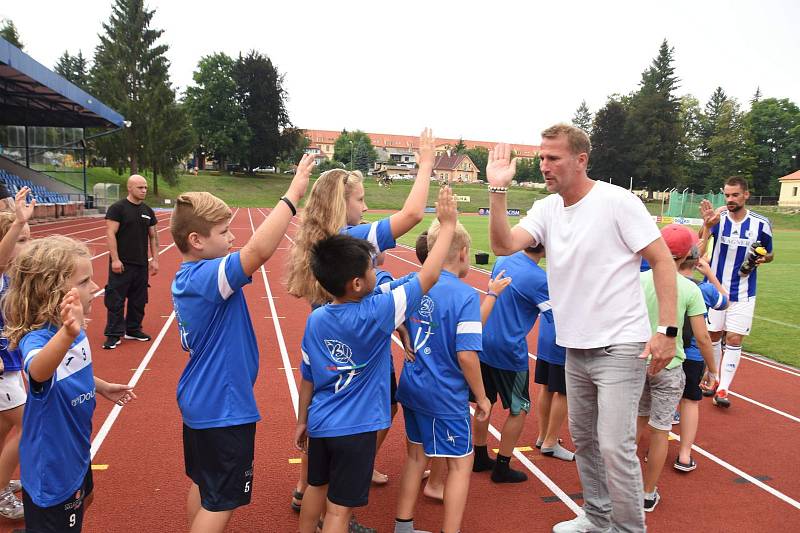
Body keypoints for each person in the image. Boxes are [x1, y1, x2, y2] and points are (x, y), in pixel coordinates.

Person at [487, 124, 677, 533]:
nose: (544, 166)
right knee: (585, 440)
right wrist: (497, 190)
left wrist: (667, 329)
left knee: (614, 444)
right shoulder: (547, 209)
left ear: (581, 160)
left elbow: (662, 260)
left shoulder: (616, 202)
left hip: (621, 344)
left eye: (553, 158)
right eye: (541, 158)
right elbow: (504, 244)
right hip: (575, 346)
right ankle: (596, 516)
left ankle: (629, 528)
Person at [287, 129, 435, 527]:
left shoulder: (319, 245)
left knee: (325, 417)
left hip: (330, 349)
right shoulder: (350, 240)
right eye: (360, 199)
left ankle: (309, 491)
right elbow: (413, 216)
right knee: (377, 411)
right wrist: (425, 165)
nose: (365, 207)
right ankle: (340, 508)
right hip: (362, 348)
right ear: (342, 204)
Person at [170, 155, 314, 533]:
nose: (232, 238)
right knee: (223, 502)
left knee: (204, 486)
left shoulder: (187, 277)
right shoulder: (205, 277)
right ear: (196, 241)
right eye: (223, 232)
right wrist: (294, 192)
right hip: (223, 406)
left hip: (203, 400)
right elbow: (257, 253)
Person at [2, 236, 136, 532]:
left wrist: (100, 385)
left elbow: (72, 369)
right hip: (53, 462)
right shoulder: (38, 339)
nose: (96, 287)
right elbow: (39, 371)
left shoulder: (73, 331)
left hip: (75, 447)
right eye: (85, 281)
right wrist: (66, 333)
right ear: (54, 290)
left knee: (85, 499)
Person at [393, 216, 491, 533]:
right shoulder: (464, 297)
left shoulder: (413, 281)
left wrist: (403, 330)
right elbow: (466, 354)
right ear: (463, 252)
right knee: (461, 464)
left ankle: (403, 526)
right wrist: (482, 396)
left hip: (412, 386)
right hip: (445, 394)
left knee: (415, 458)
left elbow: (382, 302)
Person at [636, 224, 719, 512]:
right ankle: (648, 493)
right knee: (660, 431)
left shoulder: (639, 280)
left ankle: (624, 486)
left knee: (634, 427)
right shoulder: (690, 288)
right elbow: (703, 337)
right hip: (669, 367)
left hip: (638, 362)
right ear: (688, 255)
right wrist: (713, 370)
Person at [699, 176, 774, 408]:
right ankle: (714, 377)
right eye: (727, 195)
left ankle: (723, 388)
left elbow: (770, 253)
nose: (730, 199)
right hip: (714, 290)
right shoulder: (717, 219)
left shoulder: (761, 223)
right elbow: (697, 252)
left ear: (746, 195)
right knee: (712, 336)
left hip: (744, 291)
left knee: (733, 338)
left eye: (734, 195)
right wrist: (707, 227)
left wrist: (763, 258)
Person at [675, 255, 728, 472]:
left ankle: (652, 448)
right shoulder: (704, 289)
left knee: (654, 403)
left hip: (666, 351)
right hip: (693, 355)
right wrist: (709, 273)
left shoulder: (659, 280)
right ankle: (685, 455)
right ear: (696, 262)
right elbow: (725, 301)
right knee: (690, 401)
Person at [0, 188, 34, 520]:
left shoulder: (12, 279)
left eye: (28, 238)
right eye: (19, 240)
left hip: (10, 365)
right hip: (2, 369)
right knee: (29, 424)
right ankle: (0, 495)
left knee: (2, 428)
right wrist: (16, 224)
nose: (26, 246)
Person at [102, 175, 158, 349]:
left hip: (141, 264)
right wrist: (115, 260)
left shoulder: (148, 211)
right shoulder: (117, 209)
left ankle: (133, 329)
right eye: (140, 187)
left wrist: (155, 259)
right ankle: (113, 334)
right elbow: (110, 234)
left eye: (145, 187)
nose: (144, 190)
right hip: (122, 263)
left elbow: (153, 236)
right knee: (116, 300)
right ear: (130, 188)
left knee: (138, 300)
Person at [530, 249, 575, 463]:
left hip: (547, 333)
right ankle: (550, 441)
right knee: (563, 391)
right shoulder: (575, 273)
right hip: (563, 335)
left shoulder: (551, 272)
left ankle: (543, 435)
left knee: (547, 387)